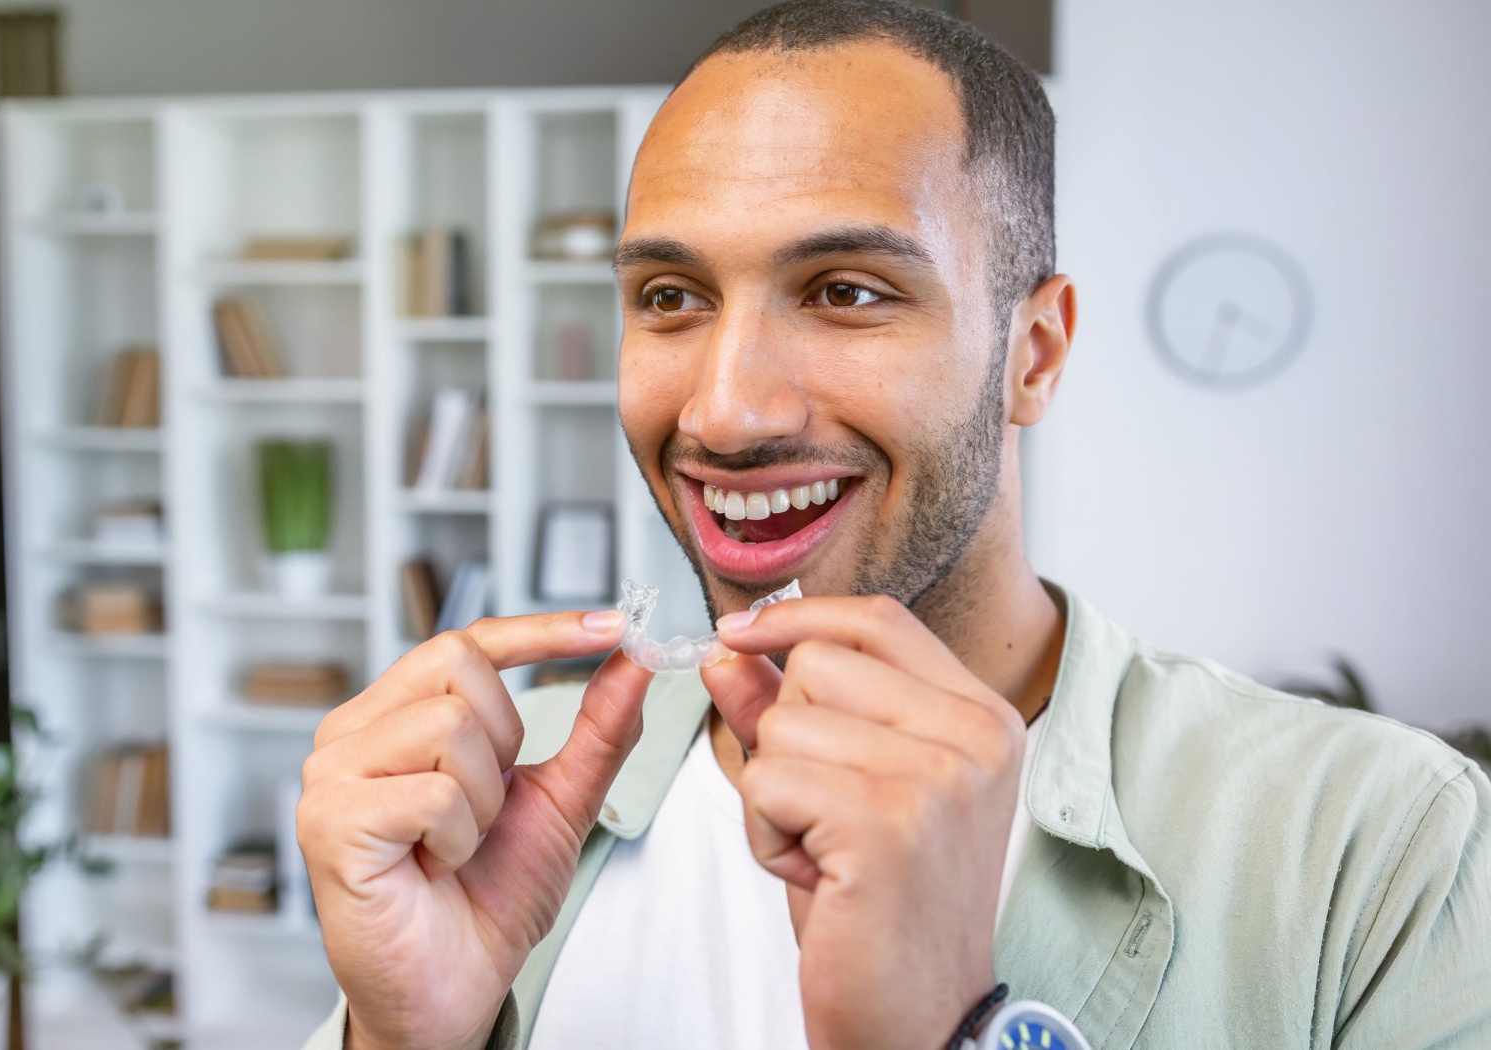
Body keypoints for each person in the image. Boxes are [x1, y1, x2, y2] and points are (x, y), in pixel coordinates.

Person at [299, 2, 1491, 1047]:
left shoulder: (1377, 845)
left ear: (1033, 353)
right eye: (671, 298)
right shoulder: (502, 789)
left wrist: (949, 1034)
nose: (722, 410)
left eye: (846, 293)